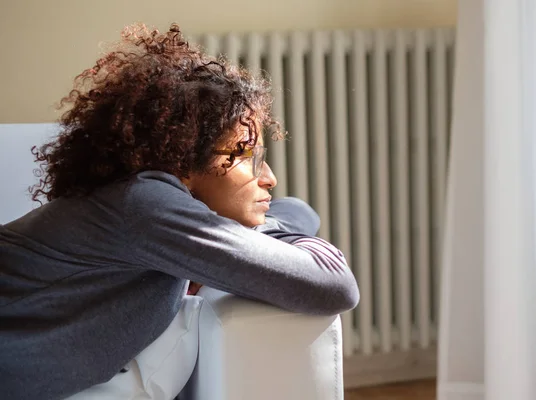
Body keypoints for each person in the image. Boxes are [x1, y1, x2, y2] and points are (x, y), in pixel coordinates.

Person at [0, 23, 359, 399]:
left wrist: (246, 234)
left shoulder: (143, 209)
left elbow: (298, 211)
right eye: (246, 156)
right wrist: (250, 238)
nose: (268, 177)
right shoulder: (144, 207)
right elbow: (334, 285)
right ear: (184, 163)